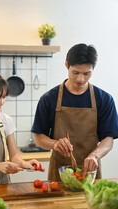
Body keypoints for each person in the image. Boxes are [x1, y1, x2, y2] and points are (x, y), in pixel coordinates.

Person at [31, 43, 118, 181]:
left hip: (90, 171)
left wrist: (95, 155)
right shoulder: (49, 99)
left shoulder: (104, 99)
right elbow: (38, 137)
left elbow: (108, 139)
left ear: (93, 69)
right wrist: (54, 144)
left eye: (86, 73)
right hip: (59, 173)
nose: (80, 79)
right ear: (67, 65)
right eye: (76, 72)